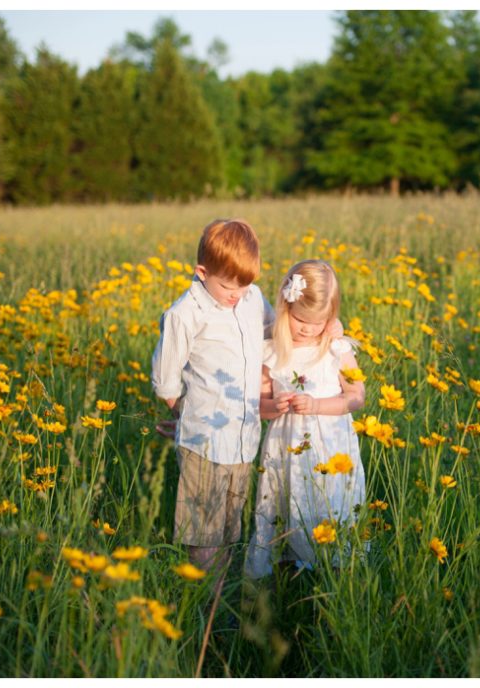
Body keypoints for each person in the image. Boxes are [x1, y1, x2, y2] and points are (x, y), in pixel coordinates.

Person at [150, 218, 274, 577]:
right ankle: (207, 605)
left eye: (245, 284)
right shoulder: (185, 314)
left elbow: (269, 333)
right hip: (205, 443)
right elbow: (166, 380)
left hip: (243, 439)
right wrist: (188, 416)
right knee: (203, 532)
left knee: (230, 528)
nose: (237, 293)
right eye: (227, 285)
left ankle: (224, 602)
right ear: (202, 272)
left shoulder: (252, 299)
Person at [245, 260, 366, 579]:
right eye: (300, 320)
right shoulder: (272, 351)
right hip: (287, 449)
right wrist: (275, 405)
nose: (308, 329)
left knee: (330, 506)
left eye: (318, 322)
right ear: (285, 309)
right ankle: (284, 577)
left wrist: (316, 404)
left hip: (332, 450)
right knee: (286, 503)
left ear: (331, 317)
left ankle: (337, 578)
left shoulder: (336, 348)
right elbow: (259, 404)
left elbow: (356, 396)